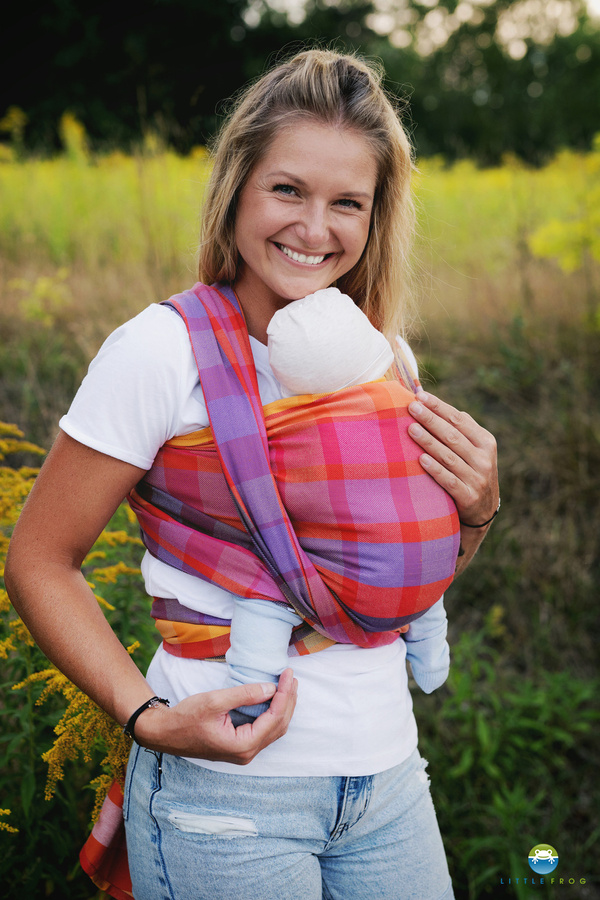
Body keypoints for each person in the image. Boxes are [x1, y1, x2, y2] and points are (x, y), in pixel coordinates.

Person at [5, 49, 499, 900]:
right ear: (236, 185)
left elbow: (384, 578)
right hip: (225, 804)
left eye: (348, 202)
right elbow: (39, 561)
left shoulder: (386, 358)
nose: (315, 228)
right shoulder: (161, 352)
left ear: (376, 217)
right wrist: (148, 720)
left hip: (386, 784)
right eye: (287, 190)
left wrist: (478, 513)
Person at [226, 286, 453, 726]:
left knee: (269, 595)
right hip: (427, 565)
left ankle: (250, 696)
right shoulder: (410, 398)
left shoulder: (286, 424)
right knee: (424, 580)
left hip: (343, 580)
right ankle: (432, 661)